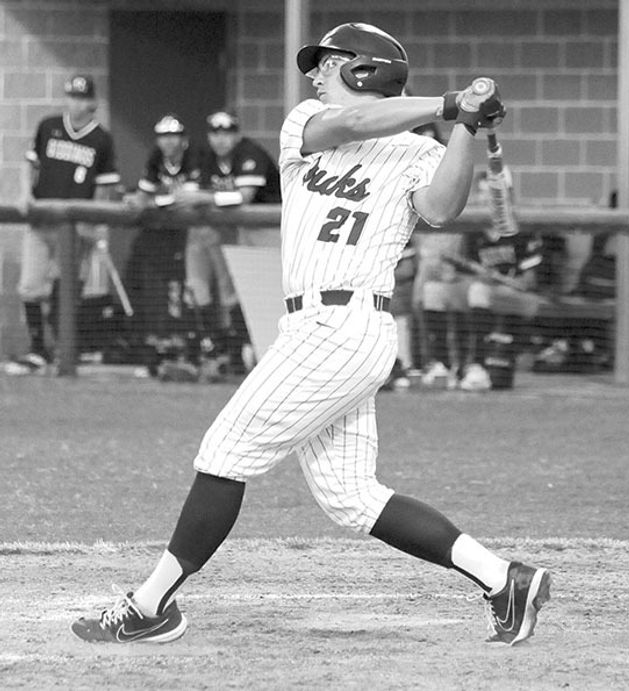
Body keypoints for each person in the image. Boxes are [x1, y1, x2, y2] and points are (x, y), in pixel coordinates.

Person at [71, 22, 551, 646]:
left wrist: (465, 128)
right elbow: (353, 127)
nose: (315, 73)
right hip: (315, 326)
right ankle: (503, 579)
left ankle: (150, 604)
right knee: (351, 496)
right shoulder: (306, 123)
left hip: (345, 324)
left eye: (326, 62)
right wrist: (451, 105)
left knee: (224, 452)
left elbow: (440, 209)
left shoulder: (418, 153)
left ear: (364, 69)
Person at [8, 74, 120, 374]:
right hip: (41, 221)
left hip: (75, 228)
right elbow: (29, 163)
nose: (76, 103)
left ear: (92, 103)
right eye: (72, 96)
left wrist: (95, 221)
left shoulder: (101, 139)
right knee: (30, 287)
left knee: (67, 290)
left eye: (82, 98)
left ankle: (63, 352)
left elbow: (105, 188)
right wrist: (24, 193)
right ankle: (37, 350)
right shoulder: (49, 126)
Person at [419, 167, 549, 391]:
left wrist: (495, 279)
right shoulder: (474, 228)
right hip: (481, 292)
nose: (484, 198)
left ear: (505, 194)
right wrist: (454, 276)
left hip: (519, 297)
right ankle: (443, 365)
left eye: (490, 191)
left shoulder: (522, 228)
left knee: (478, 290)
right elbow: (465, 272)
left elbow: (530, 282)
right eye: (480, 192)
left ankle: (477, 367)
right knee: (434, 290)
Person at [181, 110, 282, 375]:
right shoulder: (207, 157)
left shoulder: (250, 153)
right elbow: (189, 192)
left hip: (272, 228)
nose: (221, 139)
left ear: (237, 134)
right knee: (243, 288)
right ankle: (236, 353)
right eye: (216, 133)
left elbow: (244, 196)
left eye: (227, 133)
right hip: (242, 231)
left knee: (272, 291)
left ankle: (266, 352)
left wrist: (206, 198)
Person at [123, 114, 201, 371]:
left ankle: (197, 346)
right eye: (163, 136)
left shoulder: (194, 157)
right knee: (153, 283)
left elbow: (187, 198)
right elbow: (143, 195)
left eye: (173, 136)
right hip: (165, 236)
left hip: (195, 233)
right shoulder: (156, 157)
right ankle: (161, 344)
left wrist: (154, 201)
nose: (168, 142)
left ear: (183, 139)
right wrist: (137, 201)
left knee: (191, 288)